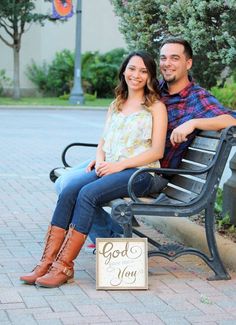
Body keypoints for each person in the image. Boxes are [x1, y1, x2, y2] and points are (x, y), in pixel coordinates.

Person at [55, 37, 236, 244]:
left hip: (149, 171)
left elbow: (232, 119)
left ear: (188, 63)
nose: (167, 63)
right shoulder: (156, 88)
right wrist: (102, 154)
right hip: (122, 159)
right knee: (63, 182)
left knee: (76, 189)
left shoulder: (195, 98)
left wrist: (194, 122)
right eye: (163, 58)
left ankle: (113, 241)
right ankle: (109, 236)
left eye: (174, 58)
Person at [20, 50, 168, 288]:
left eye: (143, 71)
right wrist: (99, 159)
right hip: (111, 167)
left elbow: (157, 152)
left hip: (140, 173)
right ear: (124, 71)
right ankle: (46, 263)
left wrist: (119, 164)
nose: (136, 75)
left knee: (87, 195)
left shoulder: (156, 107)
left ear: (150, 76)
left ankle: (63, 266)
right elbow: (103, 141)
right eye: (132, 69)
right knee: (68, 189)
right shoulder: (116, 103)